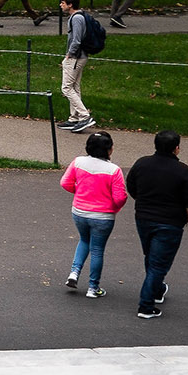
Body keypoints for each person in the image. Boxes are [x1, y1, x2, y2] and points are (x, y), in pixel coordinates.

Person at [125, 129, 188, 319]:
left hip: (143, 218)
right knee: (159, 264)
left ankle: (157, 290)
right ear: (177, 148)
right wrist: (186, 217)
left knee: (150, 257)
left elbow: (131, 186)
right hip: (170, 223)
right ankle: (146, 305)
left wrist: (143, 202)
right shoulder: (183, 171)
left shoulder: (142, 164)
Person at [61, 128, 128, 299]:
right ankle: (93, 287)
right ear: (109, 149)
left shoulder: (78, 162)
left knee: (84, 240)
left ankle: (74, 273)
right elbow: (120, 198)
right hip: (102, 216)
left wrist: (79, 191)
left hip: (80, 212)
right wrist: (112, 205)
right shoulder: (113, 170)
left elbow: (65, 183)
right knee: (97, 249)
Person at [58, 0, 100, 133]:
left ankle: (84, 116)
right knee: (75, 87)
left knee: (66, 88)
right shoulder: (79, 16)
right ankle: (73, 118)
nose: (60, 5)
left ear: (70, 5)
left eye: (63, 3)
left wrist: (69, 55)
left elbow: (76, 40)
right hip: (79, 57)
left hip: (75, 57)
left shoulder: (76, 18)